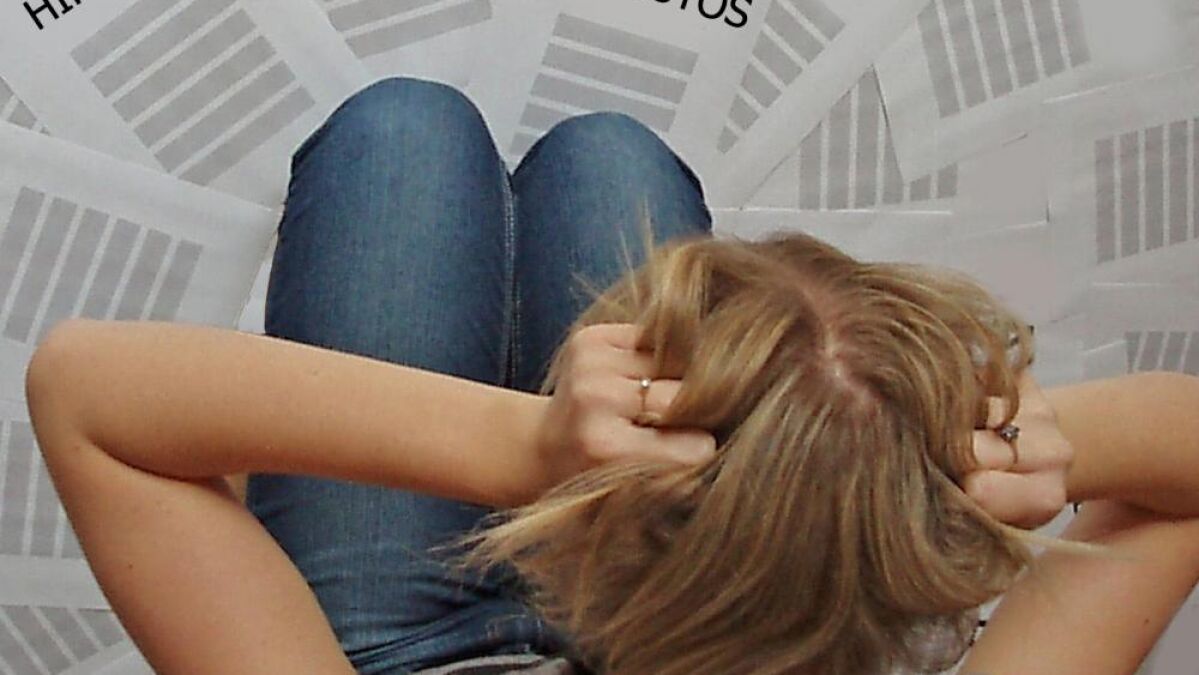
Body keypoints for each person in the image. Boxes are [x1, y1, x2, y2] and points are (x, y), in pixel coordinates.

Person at [23, 77, 1199, 674]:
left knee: (405, 129)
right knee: (605, 153)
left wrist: (525, 448)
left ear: (575, 536)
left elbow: (90, 396)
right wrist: (901, 463)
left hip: (386, 646)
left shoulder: (553, 481)